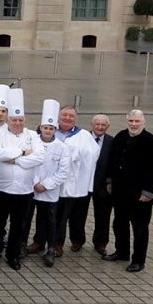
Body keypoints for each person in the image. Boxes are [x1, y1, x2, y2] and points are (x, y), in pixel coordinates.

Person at [0, 89, 44, 271]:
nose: (17, 123)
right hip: (0, 190)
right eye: (14, 120)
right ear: (8, 119)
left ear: (24, 120)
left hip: (24, 191)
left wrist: (14, 160)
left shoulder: (32, 136)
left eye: (20, 120)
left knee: (18, 227)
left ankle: (13, 256)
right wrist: (23, 153)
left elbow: (40, 156)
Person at [104, 110, 153, 272]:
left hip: (140, 196)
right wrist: (110, 180)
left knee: (140, 228)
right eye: (131, 121)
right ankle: (122, 252)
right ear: (127, 121)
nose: (133, 124)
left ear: (143, 122)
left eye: (137, 121)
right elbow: (112, 160)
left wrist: (149, 193)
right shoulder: (121, 136)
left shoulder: (151, 141)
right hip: (120, 192)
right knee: (119, 224)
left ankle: (138, 260)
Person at [27, 100, 70, 268]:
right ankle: (24, 245)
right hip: (31, 188)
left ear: (55, 130)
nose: (48, 131)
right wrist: (36, 182)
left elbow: (63, 171)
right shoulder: (32, 142)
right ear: (41, 128)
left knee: (50, 220)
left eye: (51, 128)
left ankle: (51, 249)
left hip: (50, 191)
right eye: (45, 128)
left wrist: (46, 184)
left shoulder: (62, 147)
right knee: (27, 218)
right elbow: (28, 163)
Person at [54, 105, 100, 254]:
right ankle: (53, 242)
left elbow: (93, 154)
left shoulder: (84, 135)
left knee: (74, 215)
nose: (67, 118)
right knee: (54, 215)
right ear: (58, 116)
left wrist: (75, 154)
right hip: (51, 183)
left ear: (76, 119)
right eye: (64, 115)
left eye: (71, 116)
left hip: (73, 182)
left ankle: (75, 241)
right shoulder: (49, 130)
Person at [90, 114, 114, 255]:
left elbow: (114, 163)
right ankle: (77, 240)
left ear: (107, 127)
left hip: (103, 185)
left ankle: (100, 243)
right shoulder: (83, 137)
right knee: (77, 214)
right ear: (92, 124)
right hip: (83, 184)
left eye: (103, 125)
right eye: (97, 124)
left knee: (103, 216)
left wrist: (110, 181)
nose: (100, 127)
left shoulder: (112, 141)